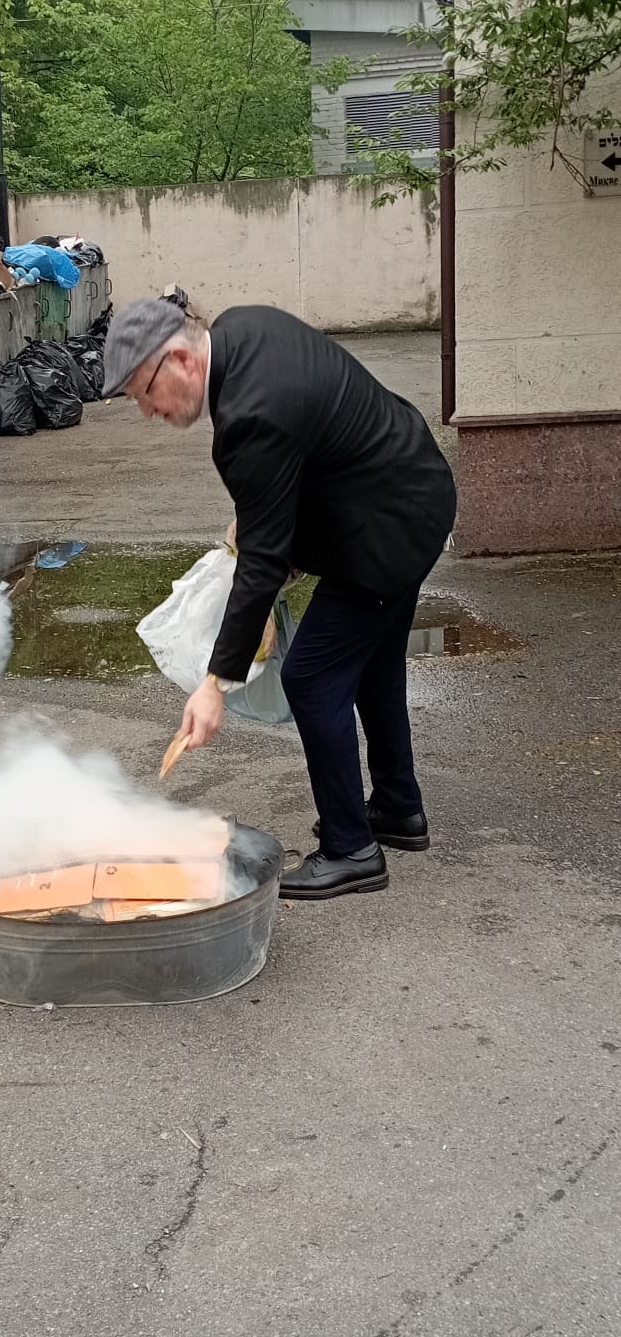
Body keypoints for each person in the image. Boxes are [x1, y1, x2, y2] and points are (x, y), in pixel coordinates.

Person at [103, 298, 457, 902]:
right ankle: (398, 808)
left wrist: (215, 683)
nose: (147, 412)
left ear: (182, 359)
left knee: (313, 678)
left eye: (145, 392)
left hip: (386, 532)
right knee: (371, 665)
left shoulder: (248, 418)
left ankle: (352, 850)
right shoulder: (241, 328)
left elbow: (264, 560)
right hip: (413, 490)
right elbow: (293, 463)